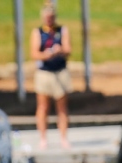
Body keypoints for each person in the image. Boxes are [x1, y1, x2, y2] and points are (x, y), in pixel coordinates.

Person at [30, 3, 72, 149]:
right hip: (44, 72)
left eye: (51, 16)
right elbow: (34, 53)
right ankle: (43, 138)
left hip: (60, 71)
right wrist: (46, 55)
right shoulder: (38, 32)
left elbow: (68, 50)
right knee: (43, 106)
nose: (49, 19)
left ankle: (63, 138)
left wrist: (59, 51)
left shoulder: (61, 30)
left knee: (62, 107)